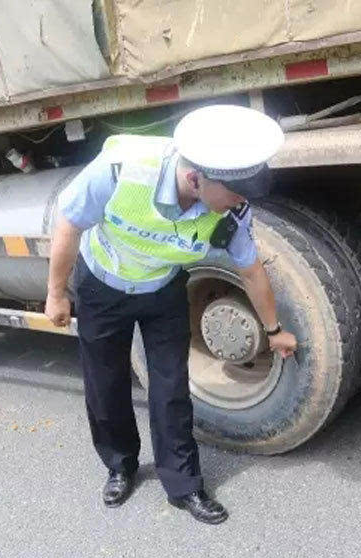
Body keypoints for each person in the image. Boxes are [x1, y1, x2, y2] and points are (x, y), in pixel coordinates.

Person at [45, 105, 298, 525]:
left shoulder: (231, 212)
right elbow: (69, 224)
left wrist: (273, 331)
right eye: (236, 193)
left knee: (171, 388)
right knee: (105, 384)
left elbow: (251, 270)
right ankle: (120, 465)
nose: (242, 202)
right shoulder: (122, 168)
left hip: (162, 289)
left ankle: (183, 486)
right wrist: (56, 293)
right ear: (195, 178)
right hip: (103, 284)